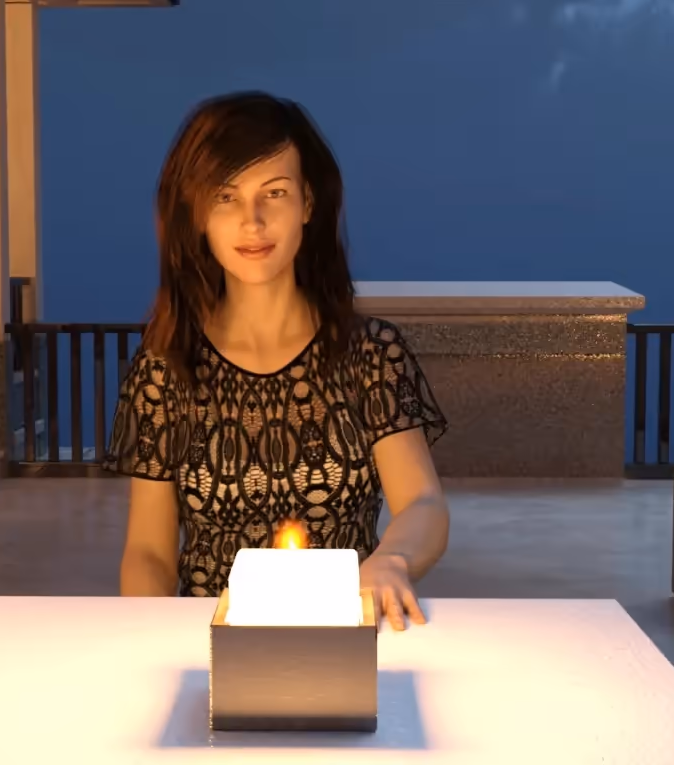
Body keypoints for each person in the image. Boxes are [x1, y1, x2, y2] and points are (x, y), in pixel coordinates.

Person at [105, 91, 449, 631]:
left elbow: (423, 504)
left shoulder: (370, 354)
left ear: (308, 204)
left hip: (343, 632)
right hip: (211, 641)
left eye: (275, 192)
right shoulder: (165, 369)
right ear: (198, 214)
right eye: (226, 197)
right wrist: (150, 635)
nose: (253, 221)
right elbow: (148, 551)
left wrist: (392, 559)